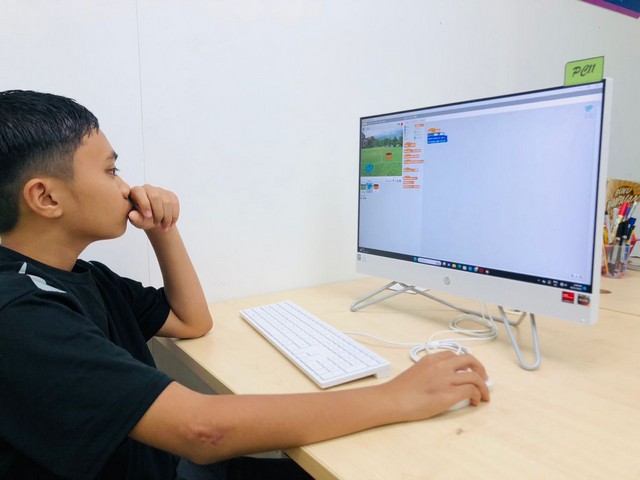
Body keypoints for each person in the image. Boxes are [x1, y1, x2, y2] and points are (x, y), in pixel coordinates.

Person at [0, 90, 491, 480]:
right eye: (111, 171)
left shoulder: (76, 275)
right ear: (46, 198)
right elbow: (201, 430)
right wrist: (396, 397)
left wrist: (161, 229)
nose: (127, 187)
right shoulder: (19, 312)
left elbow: (191, 321)